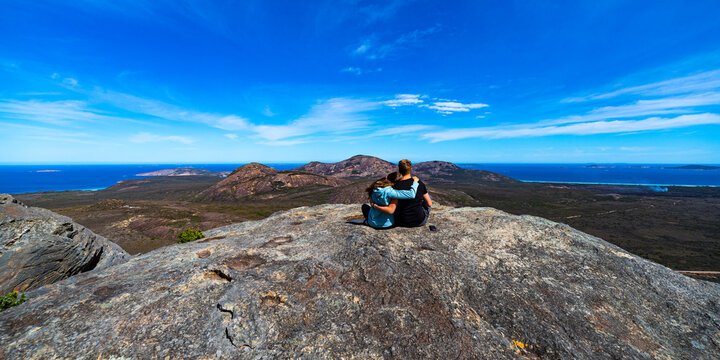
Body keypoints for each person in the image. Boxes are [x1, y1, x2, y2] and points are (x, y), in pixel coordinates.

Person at [384, 159, 432, 227]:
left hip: (400, 221)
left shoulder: (395, 185)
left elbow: (393, 206)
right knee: (429, 197)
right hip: (419, 221)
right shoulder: (419, 183)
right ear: (411, 169)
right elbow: (429, 204)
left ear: (399, 170)